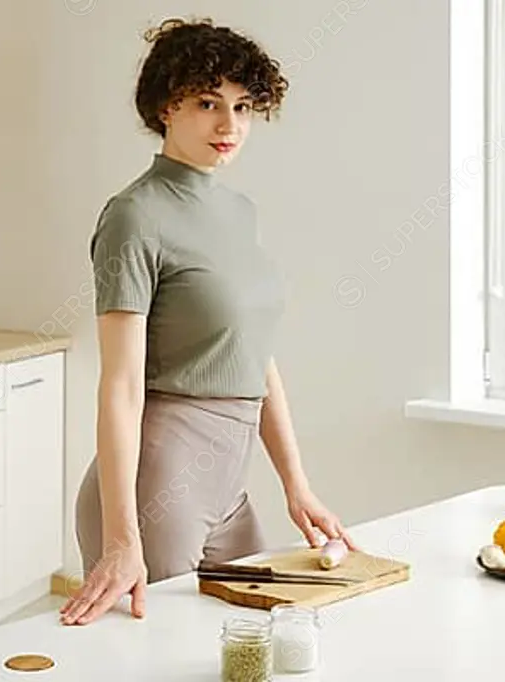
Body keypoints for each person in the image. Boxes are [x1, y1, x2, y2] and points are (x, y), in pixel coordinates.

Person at [60, 17, 358, 627]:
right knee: (160, 660)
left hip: (229, 483)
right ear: (166, 107)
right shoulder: (133, 217)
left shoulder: (238, 211)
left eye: (244, 107)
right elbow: (119, 386)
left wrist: (295, 484)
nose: (230, 126)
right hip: (159, 481)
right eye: (207, 103)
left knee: (250, 640)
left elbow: (256, 356)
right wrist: (122, 537)